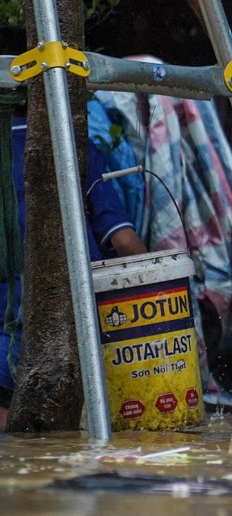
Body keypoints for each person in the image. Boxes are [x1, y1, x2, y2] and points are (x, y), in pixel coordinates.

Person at [0, 121, 147, 425]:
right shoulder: (73, 144)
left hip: (6, 341)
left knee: (19, 451)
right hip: (77, 338)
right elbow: (123, 240)